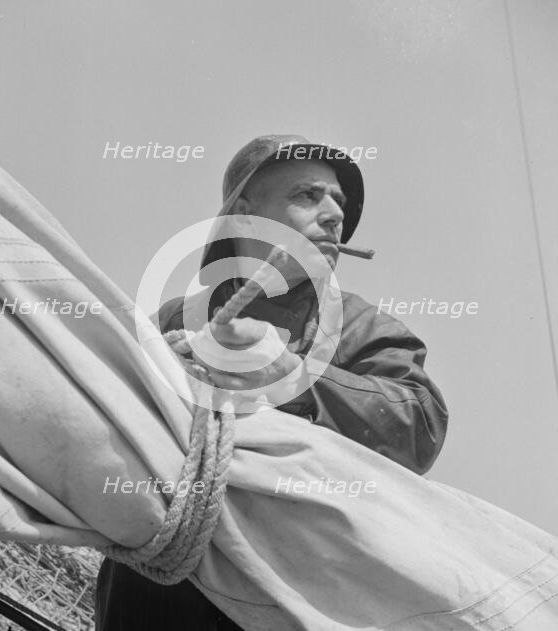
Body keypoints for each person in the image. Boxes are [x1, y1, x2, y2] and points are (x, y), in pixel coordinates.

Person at [95, 135, 449, 631]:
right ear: (243, 215)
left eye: (338, 202)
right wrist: (155, 378)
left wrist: (290, 377)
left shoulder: (362, 326)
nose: (333, 215)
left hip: (292, 593)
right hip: (154, 597)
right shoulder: (176, 317)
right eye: (308, 195)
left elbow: (420, 426)